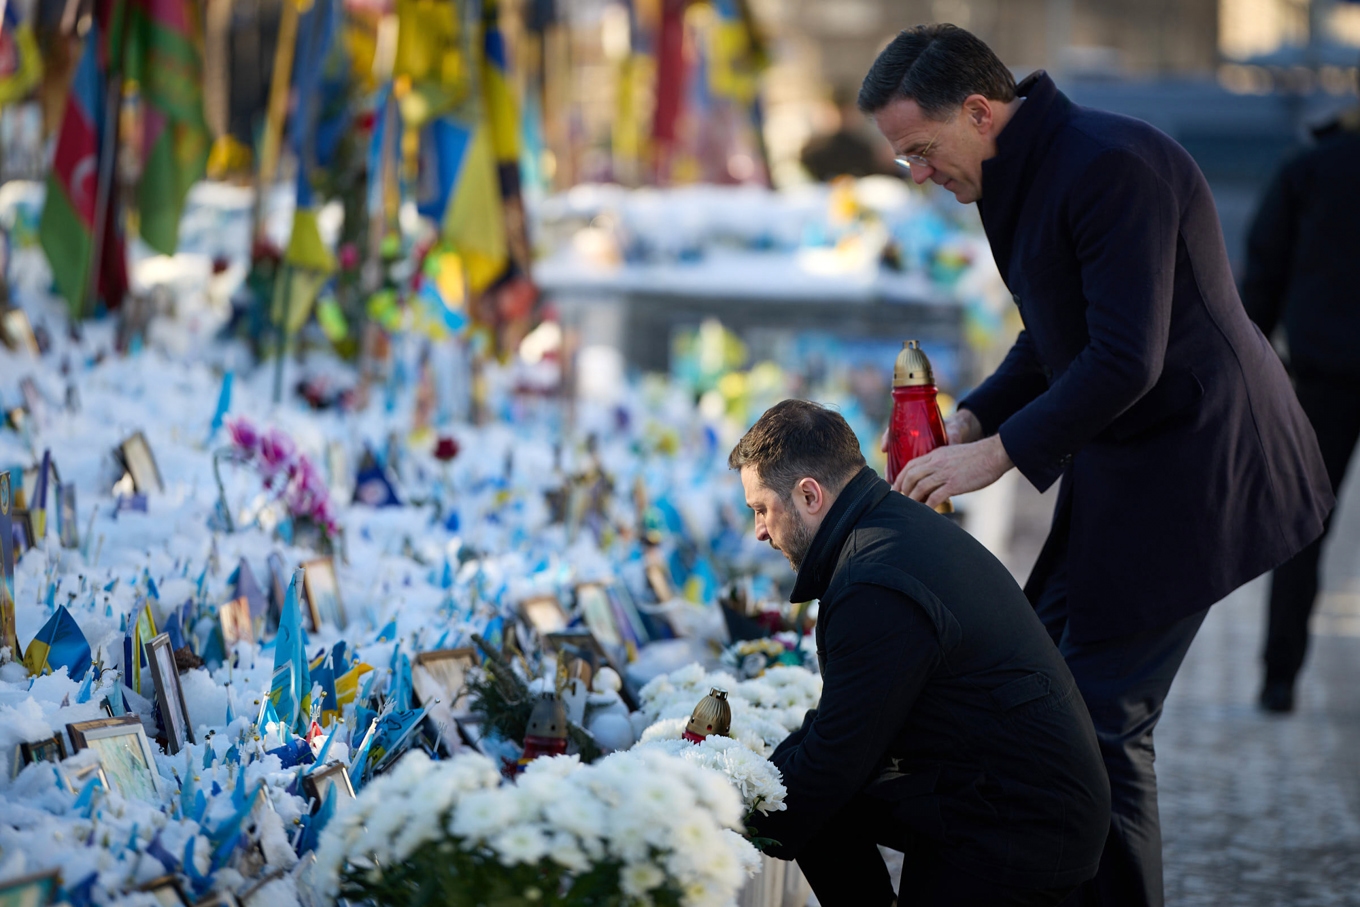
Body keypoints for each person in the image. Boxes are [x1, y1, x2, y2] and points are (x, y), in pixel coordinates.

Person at [855, 24, 1333, 907]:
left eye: (920, 151)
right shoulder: (1021, 167)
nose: (917, 174)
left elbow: (1122, 359)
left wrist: (995, 456)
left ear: (978, 110)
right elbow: (1052, 328)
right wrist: (973, 413)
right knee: (1052, 701)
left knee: (1103, 727)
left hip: (1200, 463)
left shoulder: (1110, 165)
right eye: (903, 160)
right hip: (1130, 466)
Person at [732, 399, 1111, 907]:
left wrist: (731, 812)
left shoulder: (873, 581)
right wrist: (767, 780)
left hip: (1020, 825)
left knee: (805, 793)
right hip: (1004, 790)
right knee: (802, 786)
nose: (758, 530)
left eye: (761, 509)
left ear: (808, 494)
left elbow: (837, 761)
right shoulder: (887, 528)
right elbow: (842, 734)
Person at [1240, 103, 1360, 713]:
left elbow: (1263, 273)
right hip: (1322, 368)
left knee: (1305, 525)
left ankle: (1279, 678)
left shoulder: (1311, 168)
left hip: (1325, 370)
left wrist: (1246, 369)